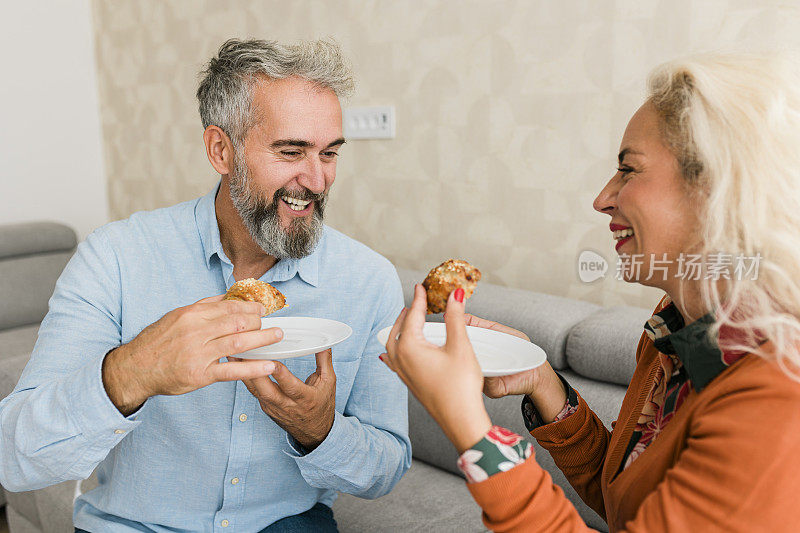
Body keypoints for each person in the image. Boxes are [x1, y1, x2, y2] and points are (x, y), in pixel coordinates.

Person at [0, 38, 411, 532]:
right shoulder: (116, 257)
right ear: (220, 150)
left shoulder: (369, 281)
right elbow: (13, 459)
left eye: (329, 153)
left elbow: (387, 468)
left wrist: (320, 431)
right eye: (290, 151)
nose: (318, 181)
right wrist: (133, 372)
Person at [382, 52, 800, 532]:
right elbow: (622, 496)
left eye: (628, 170)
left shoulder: (777, 397)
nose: (602, 198)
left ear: (715, 187)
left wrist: (469, 428)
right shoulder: (677, 326)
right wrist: (541, 379)